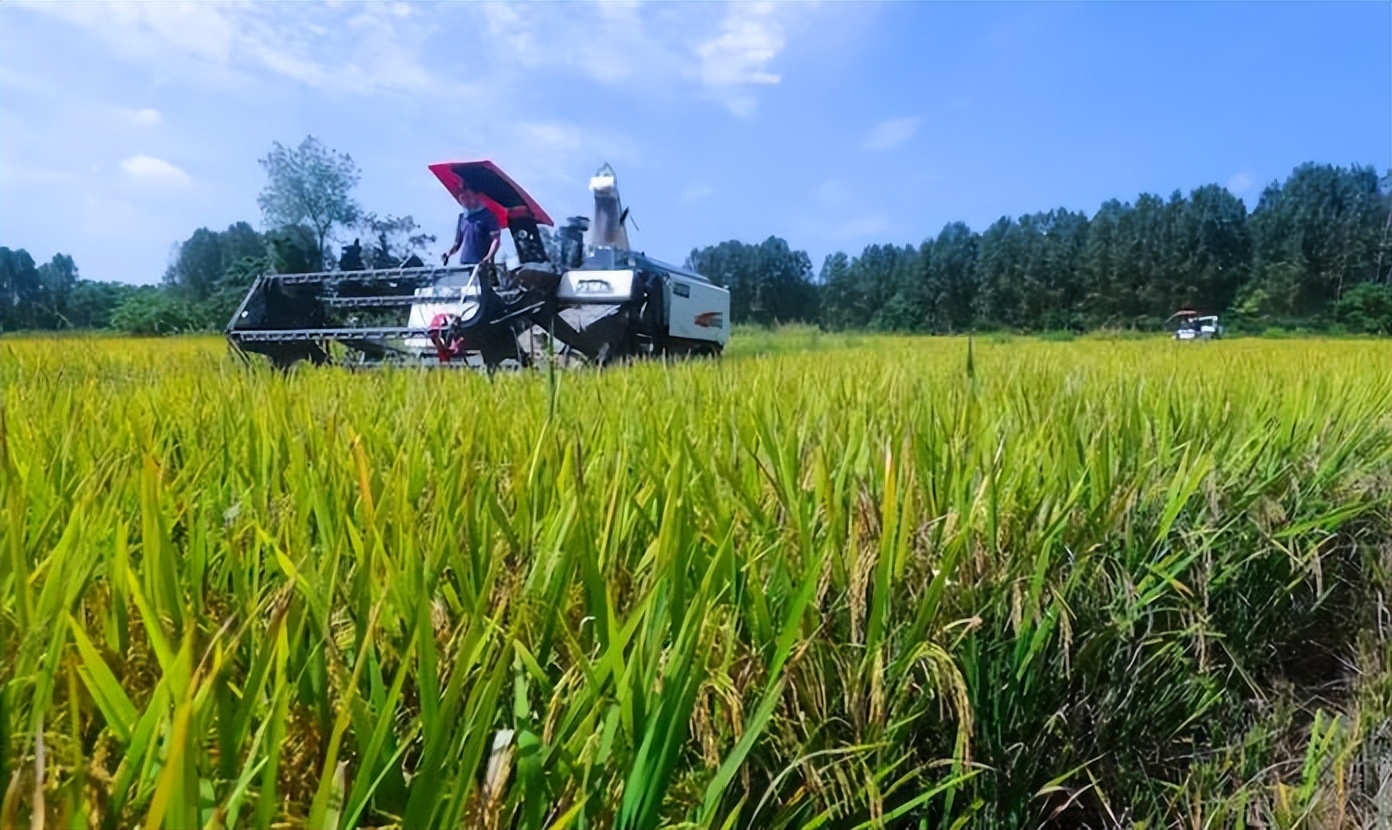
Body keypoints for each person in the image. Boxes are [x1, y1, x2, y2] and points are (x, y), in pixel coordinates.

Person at [442, 187, 501, 268]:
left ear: (476, 197)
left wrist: (488, 256)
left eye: (468, 196)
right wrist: (448, 254)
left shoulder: (488, 216)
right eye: (462, 197)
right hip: (464, 263)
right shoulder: (462, 218)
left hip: (481, 265)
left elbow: (496, 240)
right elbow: (457, 244)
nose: (465, 200)